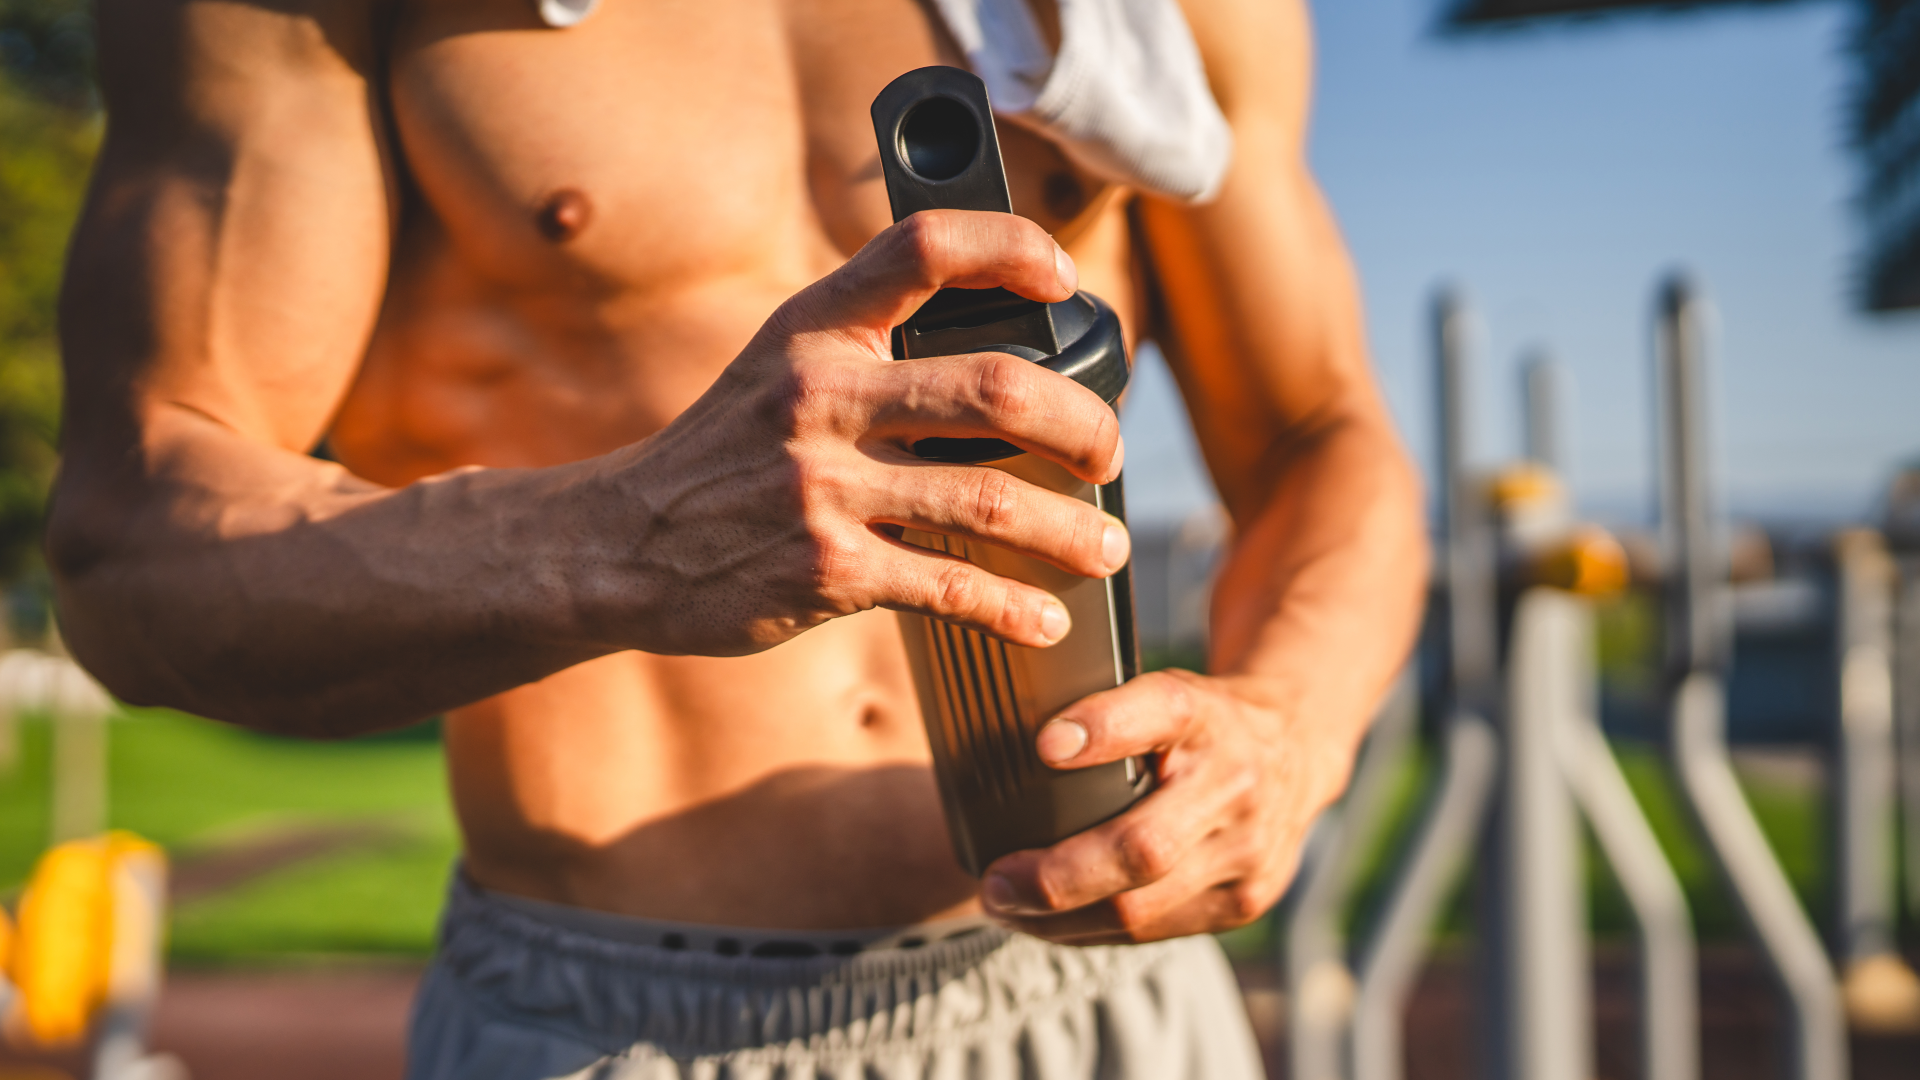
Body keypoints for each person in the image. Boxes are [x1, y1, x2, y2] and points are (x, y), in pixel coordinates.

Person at [49, 0, 1427, 1074]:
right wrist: (617, 537)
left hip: (1102, 996)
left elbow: (1320, 431)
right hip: (617, 1023)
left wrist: (1291, 722)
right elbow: (130, 552)